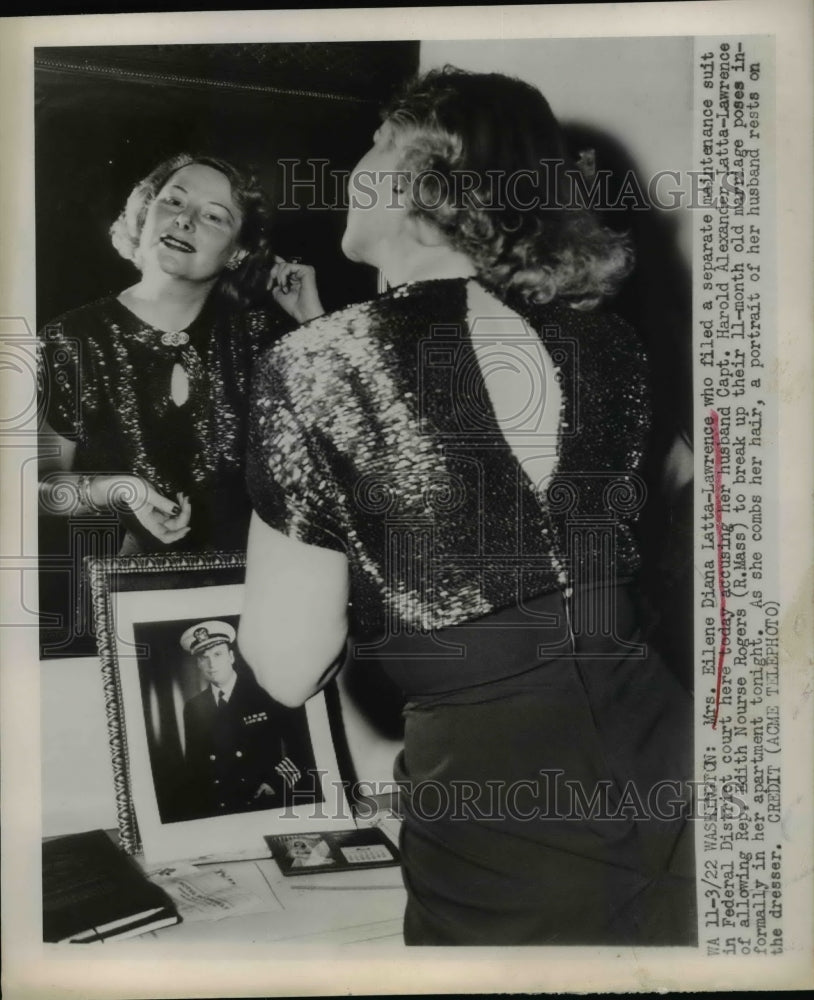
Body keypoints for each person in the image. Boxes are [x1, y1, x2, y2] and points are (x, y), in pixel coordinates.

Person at [239, 67, 694, 945]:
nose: (350, 173)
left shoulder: (315, 364)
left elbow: (289, 663)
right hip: (663, 749)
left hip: (502, 799)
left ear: (421, 178)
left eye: (370, 150)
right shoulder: (608, 345)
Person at [37, 152, 323, 554]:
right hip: (120, 601)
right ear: (145, 212)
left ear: (239, 251)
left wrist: (311, 323)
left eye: (214, 216)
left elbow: (336, 462)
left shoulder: (263, 340)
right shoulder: (72, 339)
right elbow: (33, 492)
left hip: (249, 591)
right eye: (173, 200)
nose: (184, 220)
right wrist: (117, 490)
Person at [180, 619, 307, 819]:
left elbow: (302, 747)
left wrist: (276, 783)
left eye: (218, 654)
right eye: (204, 658)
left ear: (231, 657)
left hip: (265, 801)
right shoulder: (194, 707)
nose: (211, 663)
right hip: (219, 806)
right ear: (198, 664)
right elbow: (194, 765)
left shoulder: (266, 693)